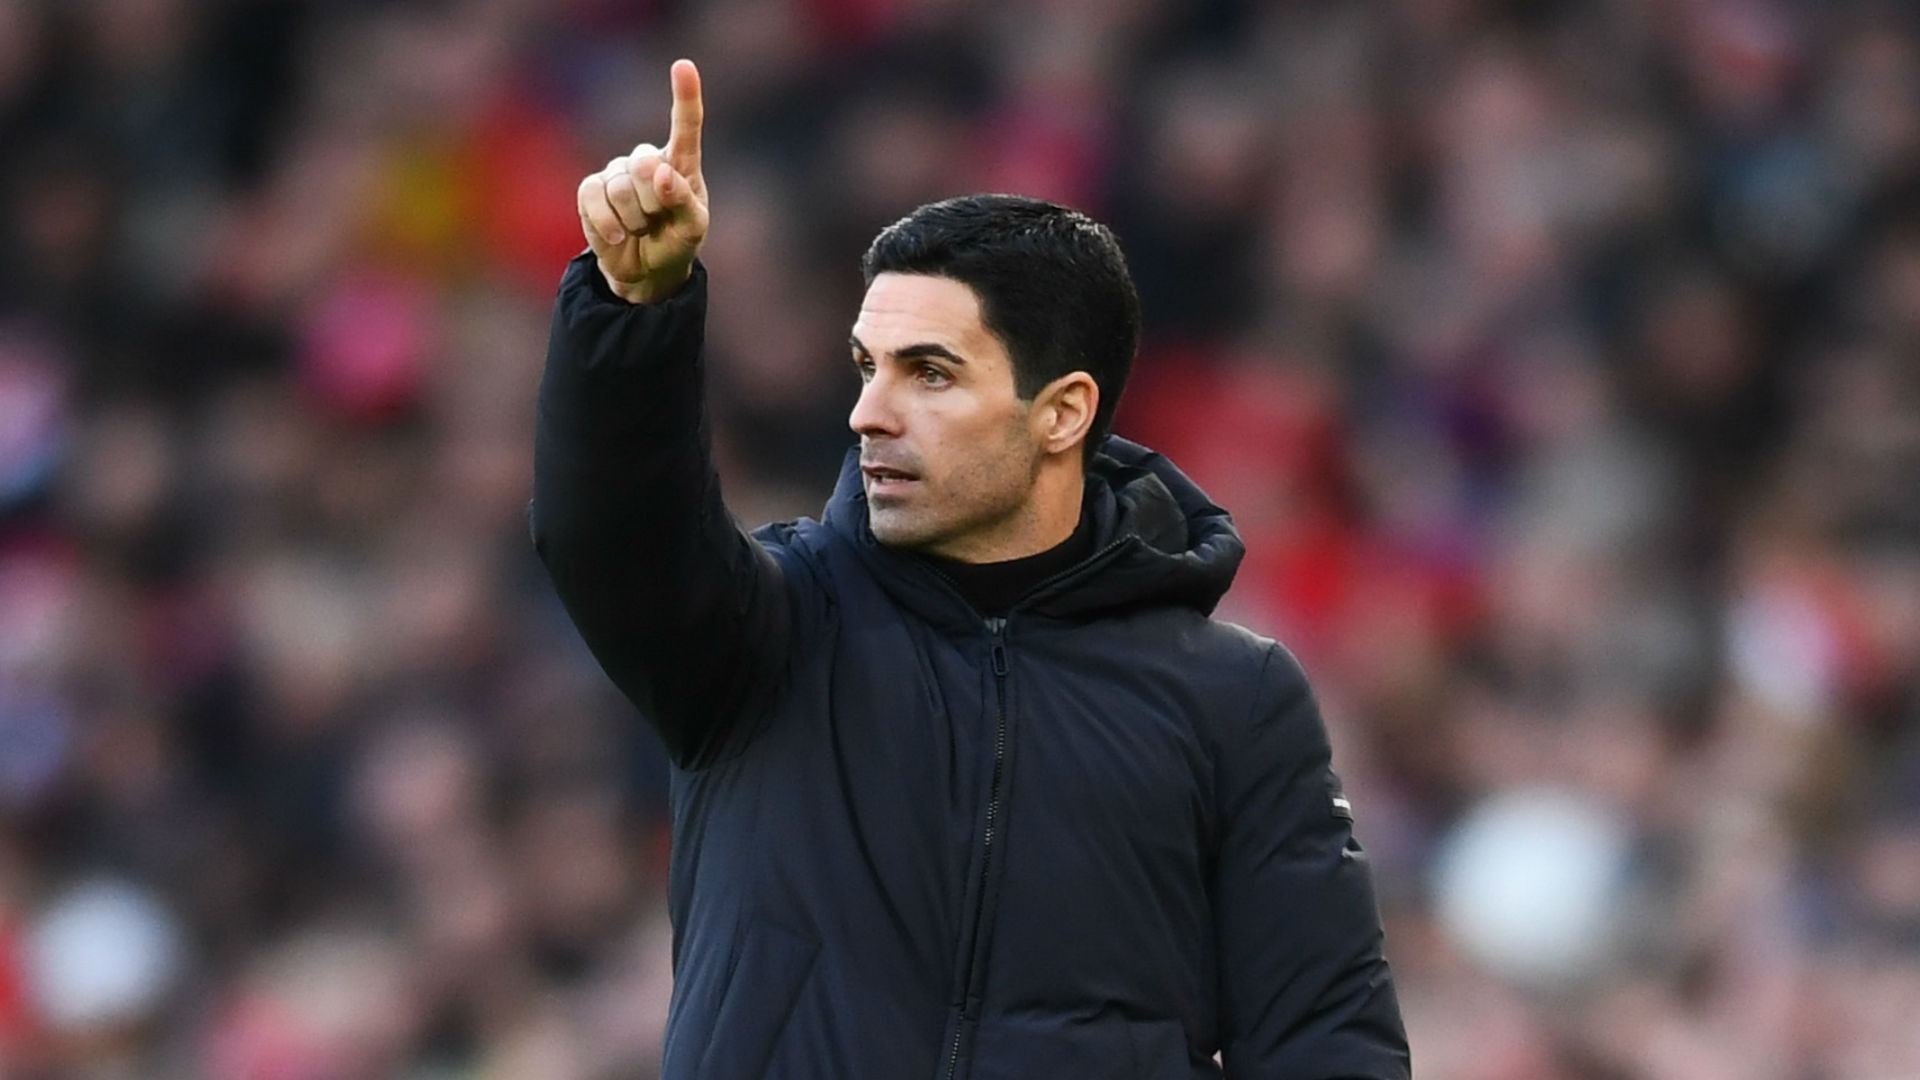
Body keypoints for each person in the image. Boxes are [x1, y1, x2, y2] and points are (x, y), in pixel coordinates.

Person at [531, 59, 1409, 1080]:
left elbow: (1322, 1034)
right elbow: (609, 536)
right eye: (869, 367)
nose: (869, 412)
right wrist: (635, 312)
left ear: (1063, 412)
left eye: (930, 374)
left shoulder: (1233, 702)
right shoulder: (767, 631)